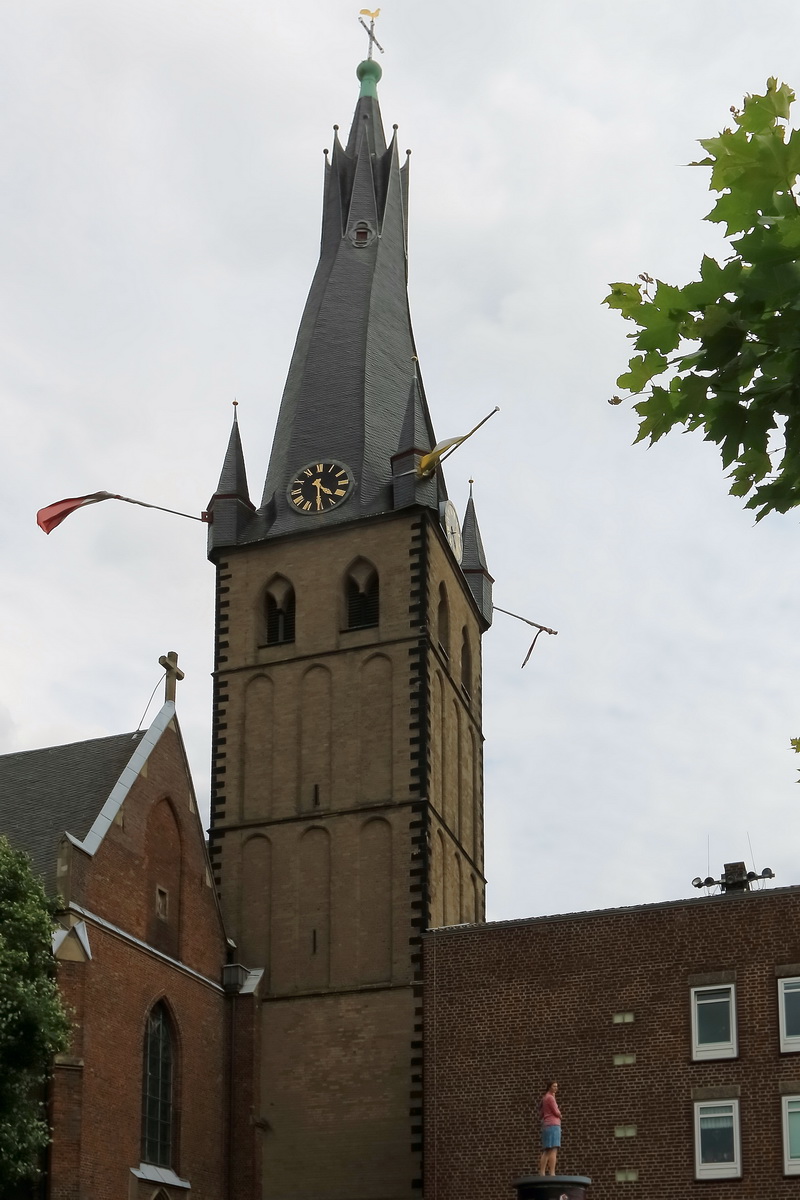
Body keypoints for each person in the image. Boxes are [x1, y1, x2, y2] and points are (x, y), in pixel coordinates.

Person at [538, 1079, 561, 1176]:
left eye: (556, 1086)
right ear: (549, 1087)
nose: (556, 1088)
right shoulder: (550, 1098)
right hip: (553, 1124)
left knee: (548, 1149)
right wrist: (560, 1115)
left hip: (546, 1125)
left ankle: (544, 1172)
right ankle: (551, 1172)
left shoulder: (545, 1098)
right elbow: (556, 1112)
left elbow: (541, 1113)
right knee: (552, 1149)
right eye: (554, 1086)